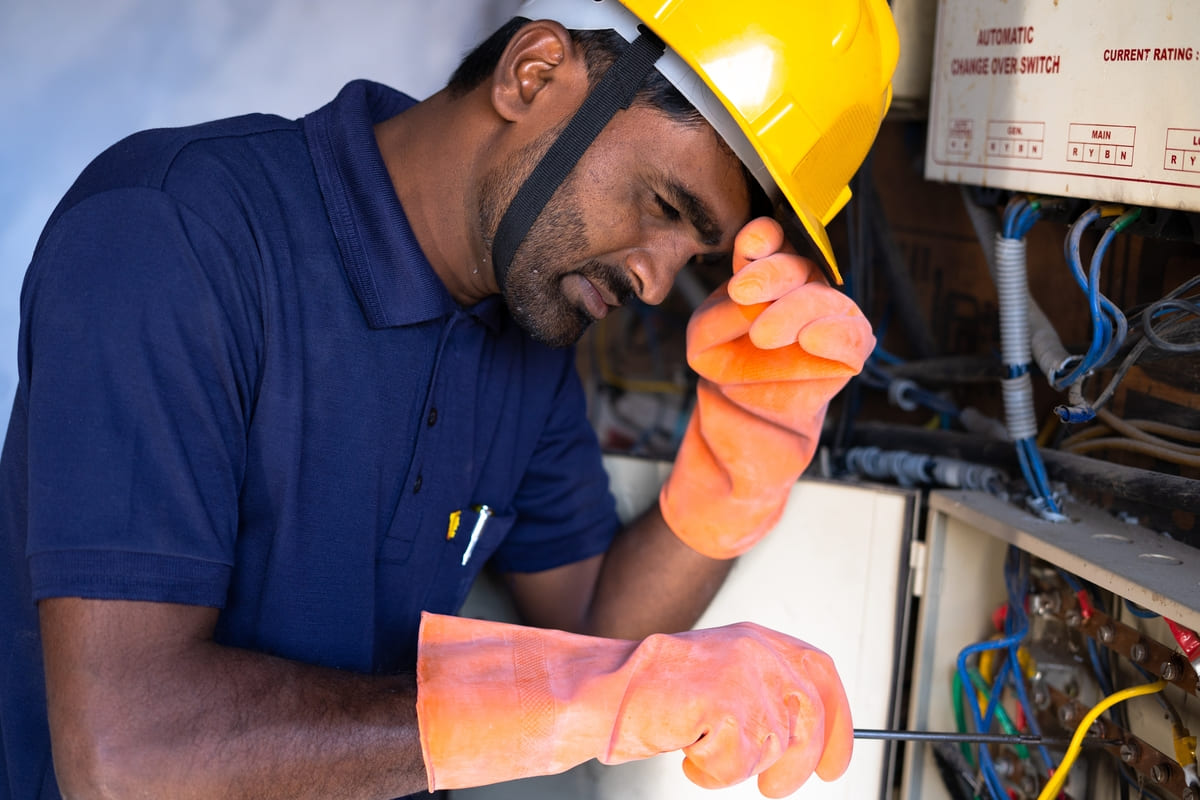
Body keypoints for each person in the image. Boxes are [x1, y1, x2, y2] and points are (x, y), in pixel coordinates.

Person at [0, 0, 898, 798]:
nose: (659, 285)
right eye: (664, 205)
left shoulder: (527, 329)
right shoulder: (172, 236)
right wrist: (588, 702)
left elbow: (597, 627)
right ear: (533, 72)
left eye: (697, 254)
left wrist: (733, 473)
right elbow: (128, 759)